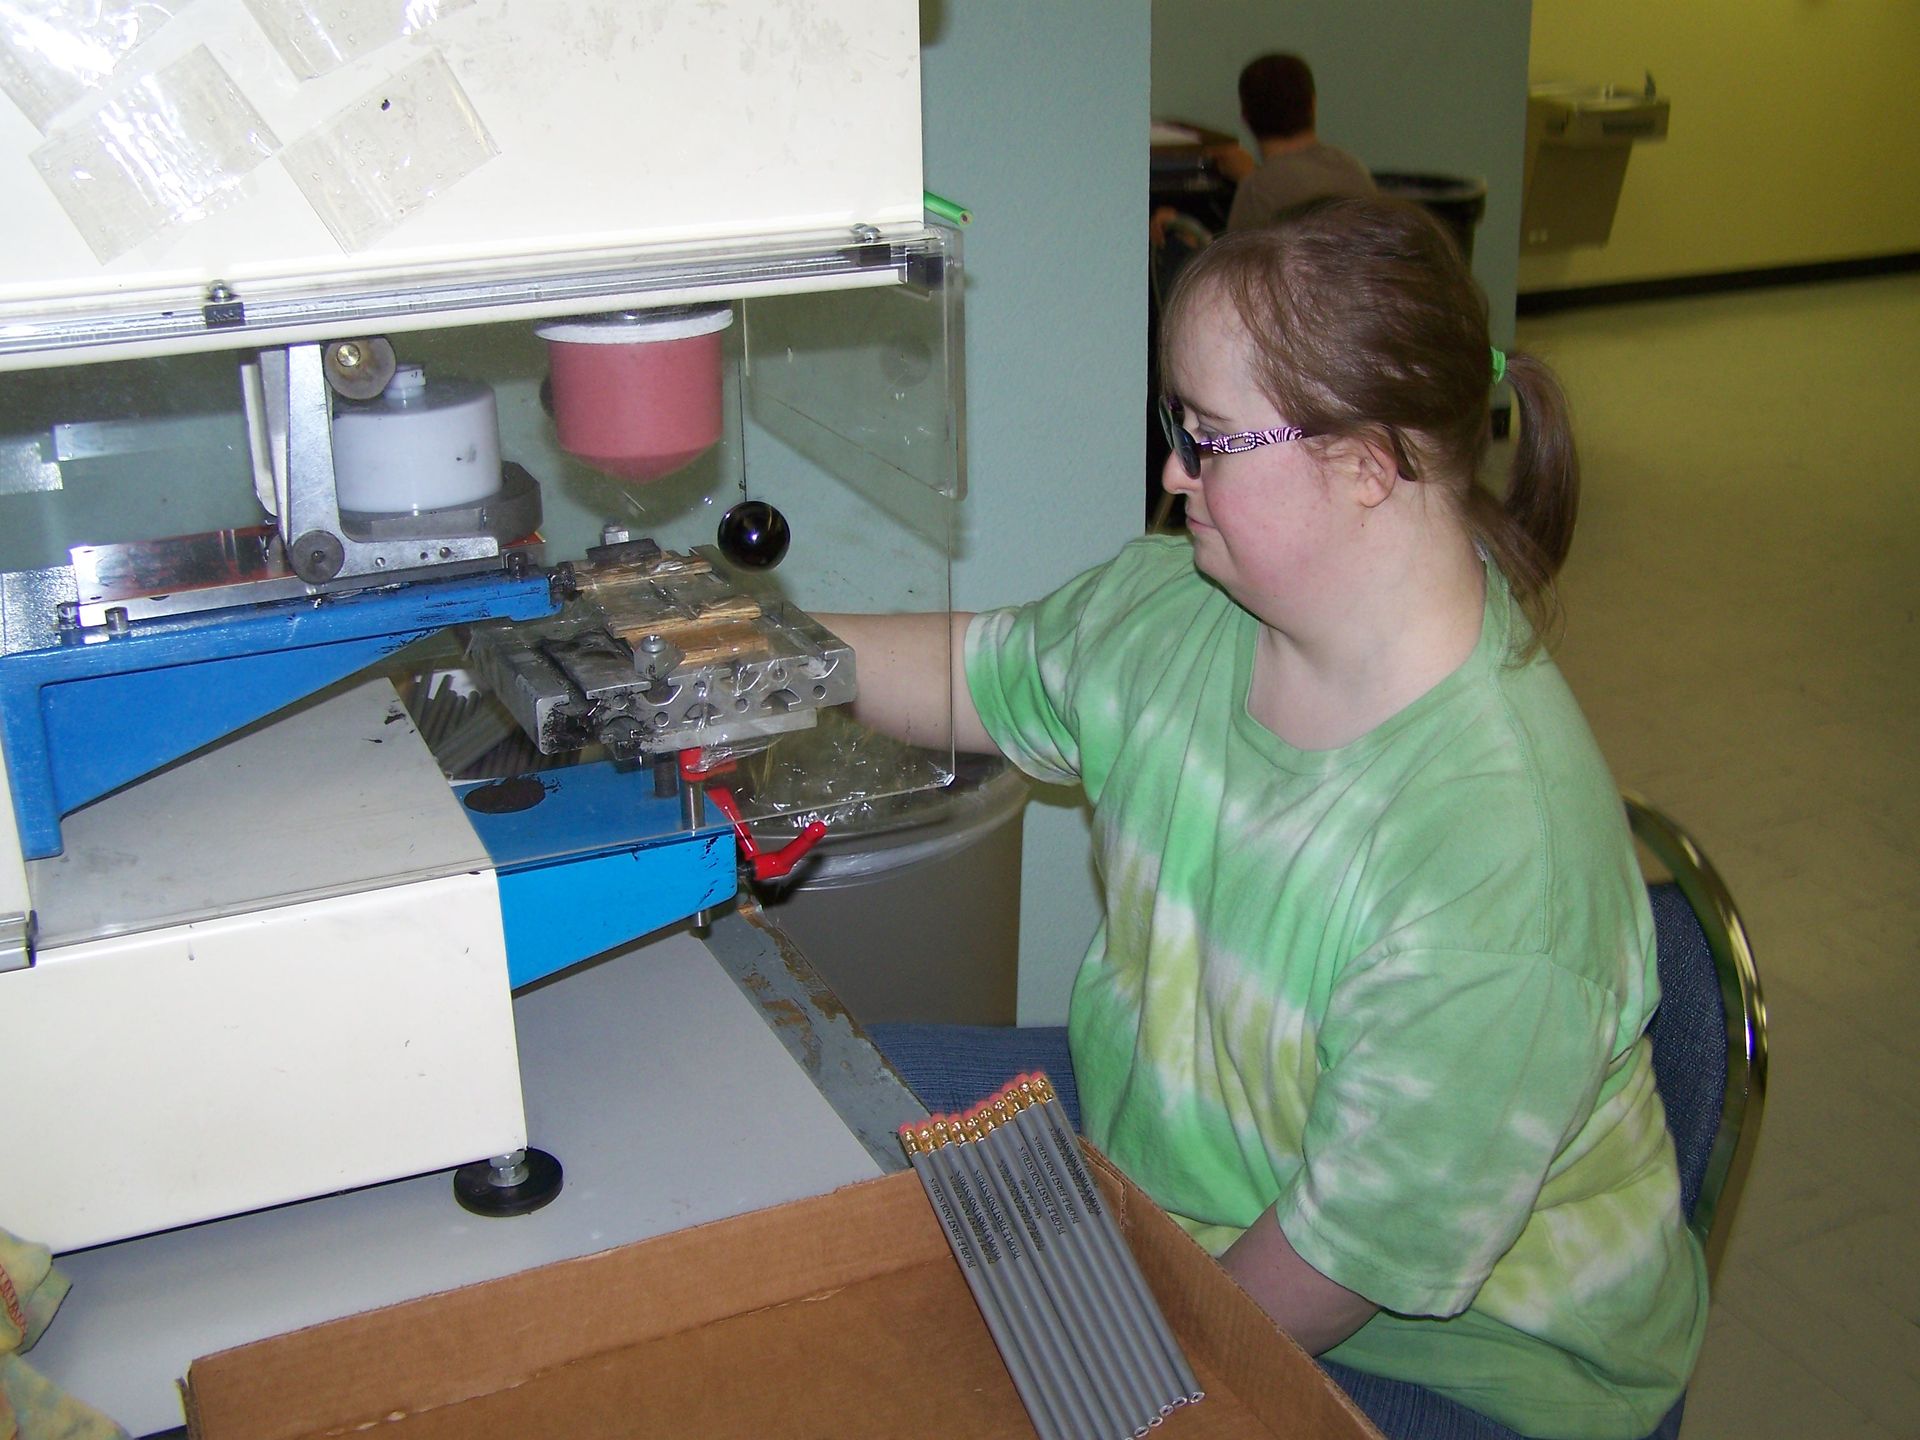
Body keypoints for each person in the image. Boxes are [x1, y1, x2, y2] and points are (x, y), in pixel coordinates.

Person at [829, 196, 1704, 1440]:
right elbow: (982, 672)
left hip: (1457, 1365)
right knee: (815, 1114)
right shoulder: (1182, 607)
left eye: (1209, 438)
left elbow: (1341, 1261)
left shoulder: (1498, 854)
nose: (1175, 472)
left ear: (1365, 462)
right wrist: (752, 654)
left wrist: (1117, 1376)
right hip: (1183, 1150)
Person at [1216, 53, 1377, 233]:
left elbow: (1236, 259)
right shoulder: (1353, 169)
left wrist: (1248, 177)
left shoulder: (1256, 188)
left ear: (1245, 116)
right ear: (1313, 105)